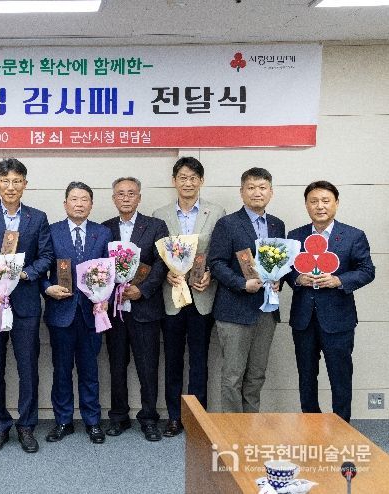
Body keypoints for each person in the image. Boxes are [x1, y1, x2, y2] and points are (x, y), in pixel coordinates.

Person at [0, 158, 54, 453]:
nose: (11, 187)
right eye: (5, 181)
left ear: (25, 184)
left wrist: (24, 274)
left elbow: (46, 256)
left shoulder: (37, 218)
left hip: (25, 304)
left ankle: (26, 426)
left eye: (17, 181)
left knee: (28, 368)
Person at [285, 181, 374, 423]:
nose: (320, 206)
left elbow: (367, 271)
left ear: (336, 203)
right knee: (306, 376)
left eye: (325, 201)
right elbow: (286, 271)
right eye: (314, 201)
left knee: (340, 377)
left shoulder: (353, 235)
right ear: (306, 205)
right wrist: (298, 278)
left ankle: (341, 426)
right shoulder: (295, 236)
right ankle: (311, 425)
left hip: (339, 319)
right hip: (303, 319)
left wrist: (338, 280)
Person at [152, 157, 225, 437]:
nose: (188, 183)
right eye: (182, 177)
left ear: (201, 181)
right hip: (171, 296)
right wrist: (165, 275)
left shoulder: (216, 212)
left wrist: (211, 274)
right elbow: (156, 255)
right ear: (174, 181)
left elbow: (220, 252)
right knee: (172, 360)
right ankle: (174, 416)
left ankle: (197, 419)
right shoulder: (160, 214)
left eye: (193, 178)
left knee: (199, 360)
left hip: (202, 295)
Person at [208, 167, 285, 413]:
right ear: (242, 192)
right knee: (233, 375)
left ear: (271, 192)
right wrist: (242, 284)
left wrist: (278, 281)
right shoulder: (227, 224)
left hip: (266, 311)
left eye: (262, 187)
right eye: (251, 187)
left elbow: (280, 263)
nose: (257, 192)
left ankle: (251, 424)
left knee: (257, 374)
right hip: (234, 311)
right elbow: (216, 263)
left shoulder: (277, 224)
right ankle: (232, 428)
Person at [41, 182, 111, 444]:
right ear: (65, 204)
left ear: (91, 204)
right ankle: (63, 421)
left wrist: (105, 297)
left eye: (84, 199)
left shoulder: (102, 233)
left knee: (90, 369)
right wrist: (47, 288)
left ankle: (92, 421)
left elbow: (110, 271)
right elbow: (40, 267)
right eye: (74, 199)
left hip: (92, 313)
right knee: (61, 370)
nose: (79, 204)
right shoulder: (52, 232)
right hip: (61, 312)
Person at [102, 177, 169, 441]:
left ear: (139, 197)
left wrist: (142, 290)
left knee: (148, 366)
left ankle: (149, 418)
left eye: (131, 193)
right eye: (120, 194)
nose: (126, 198)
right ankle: (118, 416)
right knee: (117, 365)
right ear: (113, 199)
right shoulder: (105, 228)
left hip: (145, 308)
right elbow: (100, 265)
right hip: (114, 310)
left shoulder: (156, 226)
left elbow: (162, 263)